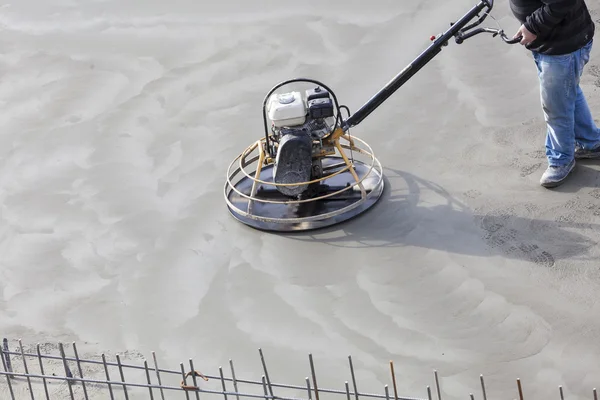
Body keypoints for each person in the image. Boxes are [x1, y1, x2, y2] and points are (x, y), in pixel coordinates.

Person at [510, 0, 600, 188]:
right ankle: (591, 142)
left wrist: (531, 26)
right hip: (555, 42)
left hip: (563, 49)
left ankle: (561, 160)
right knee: (567, 93)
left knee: (556, 107)